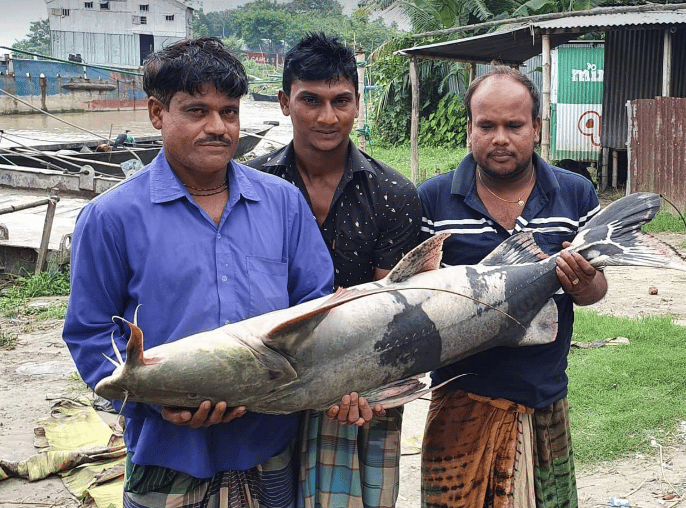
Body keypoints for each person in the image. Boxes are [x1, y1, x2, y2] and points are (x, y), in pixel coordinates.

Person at [62, 37, 334, 507]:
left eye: (229, 111)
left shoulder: (283, 204)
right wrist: (152, 397)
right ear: (156, 112)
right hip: (166, 453)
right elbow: (90, 333)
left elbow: (316, 305)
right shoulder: (111, 218)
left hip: (269, 442)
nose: (218, 127)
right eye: (196, 111)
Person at [417, 66, 608, 507]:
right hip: (459, 400)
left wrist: (582, 283)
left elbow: (596, 290)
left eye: (514, 125)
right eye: (487, 125)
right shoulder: (434, 198)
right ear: (469, 129)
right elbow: (418, 300)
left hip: (544, 397)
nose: (500, 137)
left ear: (536, 128)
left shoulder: (575, 194)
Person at [246, 32, 422, 508]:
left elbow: (392, 307)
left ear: (357, 105)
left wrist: (359, 382)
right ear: (285, 103)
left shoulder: (394, 193)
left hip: (363, 382)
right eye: (311, 101)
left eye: (341, 100)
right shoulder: (251, 187)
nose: (328, 117)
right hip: (274, 376)